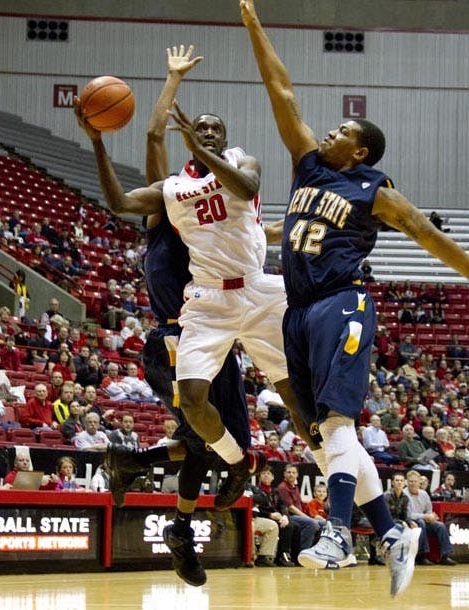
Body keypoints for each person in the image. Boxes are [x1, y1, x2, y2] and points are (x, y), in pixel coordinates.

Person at [242, 0, 469, 594]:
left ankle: (337, 535)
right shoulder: (307, 170)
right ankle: (387, 531)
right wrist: (253, 21)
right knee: (323, 433)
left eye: (343, 132)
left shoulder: (372, 189)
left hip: (342, 301)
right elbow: (282, 92)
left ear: (359, 152)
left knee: (335, 422)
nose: (329, 131)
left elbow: (430, 237)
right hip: (297, 310)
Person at [74, 44, 324, 511]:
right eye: (200, 127)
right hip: (202, 306)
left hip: (255, 289)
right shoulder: (171, 193)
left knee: (291, 392)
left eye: (214, 129)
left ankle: (331, 461)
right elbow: (126, 193)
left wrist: (203, 153)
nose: (206, 132)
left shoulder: (241, 162)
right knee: (194, 412)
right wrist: (97, 140)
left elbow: (247, 188)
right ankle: (233, 468)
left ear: (224, 138)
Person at [404, 470, 457, 565]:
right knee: (421, 522)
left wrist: (431, 517)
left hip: (424, 521)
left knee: (440, 525)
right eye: (410, 481)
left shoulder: (424, 494)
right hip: (410, 523)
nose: (413, 484)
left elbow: (429, 510)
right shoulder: (404, 494)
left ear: (419, 482)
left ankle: (445, 555)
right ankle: (422, 555)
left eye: (415, 481)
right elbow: (408, 514)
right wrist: (425, 516)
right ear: (407, 482)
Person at [276, 464, 327, 562]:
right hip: (290, 516)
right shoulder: (283, 487)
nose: (291, 474)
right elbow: (291, 508)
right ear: (284, 474)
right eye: (289, 472)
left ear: (297, 475)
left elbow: (300, 504)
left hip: (300, 516)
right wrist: (307, 517)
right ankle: (303, 554)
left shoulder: (295, 487)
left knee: (324, 524)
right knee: (312, 523)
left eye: (293, 472)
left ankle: (317, 552)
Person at [384, 473, 433, 565]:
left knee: (415, 526)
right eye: (397, 480)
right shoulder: (387, 496)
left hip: (400, 521)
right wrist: (402, 522)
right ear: (392, 483)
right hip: (389, 521)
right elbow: (387, 516)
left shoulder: (405, 497)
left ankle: (419, 555)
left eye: (401, 481)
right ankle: (402, 556)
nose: (399, 483)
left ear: (404, 483)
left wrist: (409, 522)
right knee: (402, 527)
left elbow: (405, 515)